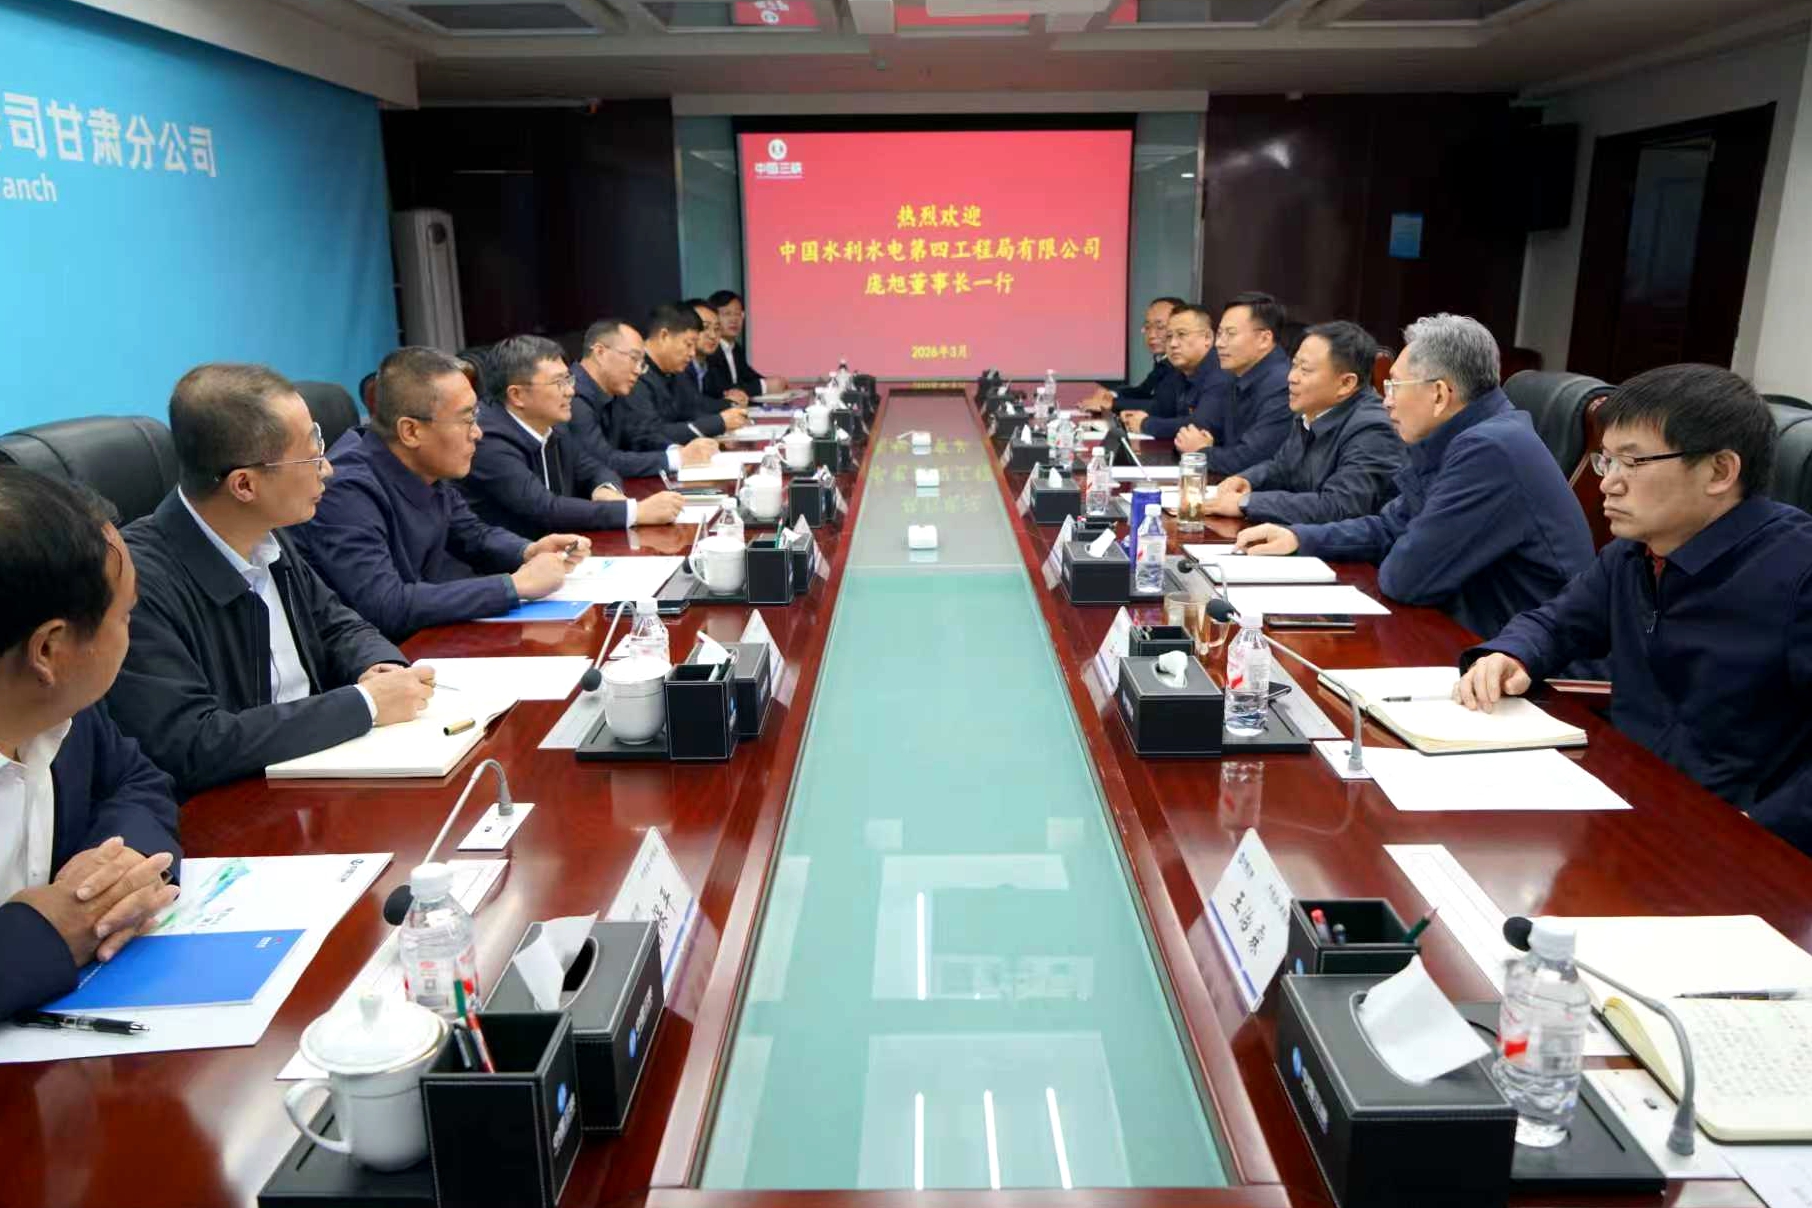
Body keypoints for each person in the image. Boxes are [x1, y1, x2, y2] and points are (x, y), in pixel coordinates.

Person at [1457, 364, 1812, 854]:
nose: (1609, 483)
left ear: (1719, 471)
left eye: (1632, 462)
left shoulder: (1799, 572)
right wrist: (1511, 654)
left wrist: (1759, 830)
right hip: (1626, 809)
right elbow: (1557, 622)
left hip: (1732, 845)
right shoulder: (1636, 551)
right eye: (1606, 462)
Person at [108, 363, 431, 801]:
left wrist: (379, 667)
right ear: (244, 485)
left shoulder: (266, 533)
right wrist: (366, 703)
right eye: (310, 456)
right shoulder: (137, 584)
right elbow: (193, 743)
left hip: (318, 771)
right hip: (240, 804)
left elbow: (337, 624)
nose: (327, 469)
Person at [1237, 313, 1594, 638]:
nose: (1386, 401)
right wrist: (1298, 537)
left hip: (1526, 664)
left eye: (1394, 386)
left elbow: (1405, 578)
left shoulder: (1490, 450)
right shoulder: (1460, 437)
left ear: (1438, 394)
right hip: (1474, 636)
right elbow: (1390, 527)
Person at [0, 469, 183, 1018]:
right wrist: (45, 935)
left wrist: (119, 871)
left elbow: (136, 780)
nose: (132, 632)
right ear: (48, 651)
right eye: (124, 615)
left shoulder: (64, 709)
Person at [295, 346, 591, 641]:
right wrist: (513, 586)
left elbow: (473, 535)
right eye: (466, 419)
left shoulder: (424, 465)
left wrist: (527, 551)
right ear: (411, 432)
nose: (478, 433)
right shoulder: (345, 489)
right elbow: (385, 604)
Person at [461, 335, 686, 540]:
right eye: (558, 382)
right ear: (517, 395)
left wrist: (605, 489)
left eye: (569, 379)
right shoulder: (487, 440)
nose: (570, 391)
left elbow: (594, 468)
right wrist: (635, 512)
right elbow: (545, 508)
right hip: (510, 564)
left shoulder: (554, 424)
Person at [1205, 320, 1406, 524]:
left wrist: (1247, 503)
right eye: (1294, 365)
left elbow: (1339, 506)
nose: (1292, 377)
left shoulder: (1373, 430)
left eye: (1305, 370)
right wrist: (1247, 480)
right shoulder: (1312, 409)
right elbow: (1282, 467)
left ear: (1346, 383)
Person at [570, 319, 717, 477]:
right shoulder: (572, 396)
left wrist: (678, 450)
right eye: (634, 358)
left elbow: (639, 435)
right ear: (600, 352)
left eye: (642, 364)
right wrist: (678, 459)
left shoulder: (613, 389)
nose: (638, 371)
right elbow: (603, 461)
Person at [1166, 291, 1293, 471]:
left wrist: (1201, 452)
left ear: (1264, 339)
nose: (1219, 343)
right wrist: (1198, 444)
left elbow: (1251, 459)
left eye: (1230, 334)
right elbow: (1210, 432)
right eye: (1220, 333)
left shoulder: (1283, 384)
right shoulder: (1238, 374)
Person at [619, 304, 749, 451]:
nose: (692, 353)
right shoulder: (634, 373)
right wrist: (716, 423)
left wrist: (722, 424)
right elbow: (648, 434)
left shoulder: (676, 372)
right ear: (664, 336)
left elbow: (693, 410)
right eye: (688, 344)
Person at [1121, 303, 1233, 446]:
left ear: (1208, 338)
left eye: (1182, 334)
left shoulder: (1221, 371)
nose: (1173, 344)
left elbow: (1200, 425)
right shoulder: (1179, 371)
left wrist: (1145, 424)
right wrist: (1134, 417)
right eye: (1169, 336)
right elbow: (1160, 409)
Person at [1078, 296, 1187, 417]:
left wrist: (1112, 403)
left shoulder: (1183, 363)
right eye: (1147, 327)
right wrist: (1111, 394)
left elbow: (1163, 407)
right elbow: (1143, 391)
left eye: (1160, 327)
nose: (1151, 335)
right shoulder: (1163, 359)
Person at [706, 289, 789, 397]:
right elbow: (722, 390)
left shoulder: (736, 349)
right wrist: (764, 386)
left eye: (738, 314)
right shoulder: (709, 349)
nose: (734, 319)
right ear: (712, 317)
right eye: (727, 314)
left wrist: (773, 382)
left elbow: (750, 376)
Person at [687, 298, 749, 406]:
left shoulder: (712, 365)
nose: (713, 335)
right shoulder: (679, 368)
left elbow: (719, 394)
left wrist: (734, 395)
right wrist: (727, 403)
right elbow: (693, 406)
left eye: (717, 328)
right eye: (705, 327)